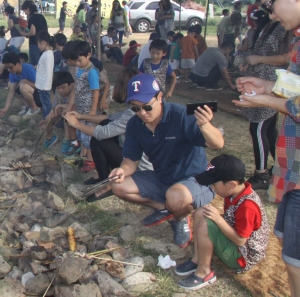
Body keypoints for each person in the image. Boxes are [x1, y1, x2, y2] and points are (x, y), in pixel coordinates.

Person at [233, 0, 300, 296]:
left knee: (296, 259)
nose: (271, 16)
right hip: (294, 171)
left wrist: (267, 102)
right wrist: (267, 88)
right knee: (290, 254)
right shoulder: (298, 40)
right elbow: (297, 89)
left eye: (271, 7)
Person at [110, 73, 224, 247]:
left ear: (160, 97)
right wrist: (121, 171)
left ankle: (180, 217)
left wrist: (205, 125)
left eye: (147, 107)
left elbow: (218, 144)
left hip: (196, 180)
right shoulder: (135, 125)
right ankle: (165, 208)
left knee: (176, 196)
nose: (142, 113)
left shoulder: (180, 116)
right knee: (118, 185)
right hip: (163, 177)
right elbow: (131, 160)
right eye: (135, 108)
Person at [176, 155, 269, 291]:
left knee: (204, 226)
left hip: (243, 256)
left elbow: (240, 241)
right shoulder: (233, 193)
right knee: (200, 212)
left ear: (231, 184)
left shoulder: (248, 206)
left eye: (214, 184)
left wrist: (218, 220)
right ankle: (197, 260)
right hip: (235, 237)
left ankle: (204, 273)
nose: (212, 187)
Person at [64, 68, 153, 201]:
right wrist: (82, 116)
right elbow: (110, 118)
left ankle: (108, 183)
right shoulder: (132, 109)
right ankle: (103, 177)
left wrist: (76, 124)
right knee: (105, 123)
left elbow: (103, 132)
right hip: (132, 156)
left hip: (138, 166)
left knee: (99, 138)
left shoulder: (134, 113)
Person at [239, 19, 290, 189]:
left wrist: (259, 59)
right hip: (264, 82)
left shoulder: (286, 26)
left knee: (258, 128)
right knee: (268, 129)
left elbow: (286, 58)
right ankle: (280, 168)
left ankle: (262, 174)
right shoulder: (269, 24)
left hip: (271, 82)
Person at [69, 40, 100, 172]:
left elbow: (96, 91)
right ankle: (83, 155)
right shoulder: (78, 68)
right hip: (80, 108)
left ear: (89, 55)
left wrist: (93, 111)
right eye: (76, 60)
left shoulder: (92, 71)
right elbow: (76, 88)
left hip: (88, 110)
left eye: (80, 60)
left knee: (89, 135)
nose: (78, 63)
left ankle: (91, 160)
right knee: (82, 134)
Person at [0, 52, 41, 117]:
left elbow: (40, 87)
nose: (9, 70)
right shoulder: (12, 73)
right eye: (7, 68)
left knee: (23, 86)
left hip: (40, 96)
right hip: (30, 93)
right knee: (10, 85)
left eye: (10, 67)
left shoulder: (29, 69)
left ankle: (34, 108)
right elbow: (11, 92)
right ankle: (27, 105)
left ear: (17, 63)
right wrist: (5, 108)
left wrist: (25, 81)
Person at [42, 71, 76, 151]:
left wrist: (60, 106)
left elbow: (73, 106)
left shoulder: (75, 93)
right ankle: (49, 138)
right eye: (58, 88)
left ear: (70, 85)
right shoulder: (58, 92)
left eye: (63, 87)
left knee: (66, 113)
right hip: (61, 118)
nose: (60, 90)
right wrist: (52, 113)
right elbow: (55, 106)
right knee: (48, 118)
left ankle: (67, 139)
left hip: (73, 120)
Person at [17, 0, 48, 66]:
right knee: (43, 64)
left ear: (28, 8)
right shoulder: (42, 17)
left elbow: (33, 32)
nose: (25, 13)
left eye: (25, 11)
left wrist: (24, 34)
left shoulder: (32, 18)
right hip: (44, 43)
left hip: (34, 44)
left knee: (35, 65)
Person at [35, 31, 55, 125]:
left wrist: (46, 85)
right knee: (44, 103)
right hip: (41, 84)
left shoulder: (48, 55)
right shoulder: (45, 53)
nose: (38, 45)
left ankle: (48, 120)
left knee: (46, 104)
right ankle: (45, 118)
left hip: (44, 85)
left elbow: (48, 71)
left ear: (43, 42)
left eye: (38, 43)